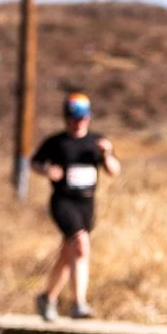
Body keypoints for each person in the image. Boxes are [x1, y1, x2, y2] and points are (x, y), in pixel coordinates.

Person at [32, 92, 120, 320]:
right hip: (63, 202)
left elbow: (113, 171)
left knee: (68, 254)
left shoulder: (97, 143)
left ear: (88, 118)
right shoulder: (57, 142)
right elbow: (35, 162)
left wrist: (107, 154)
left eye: (82, 118)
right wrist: (47, 171)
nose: (78, 122)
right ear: (66, 118)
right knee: (81, 244)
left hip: (87, 203)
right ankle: (78, 303)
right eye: (73, 118)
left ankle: (47, 297)